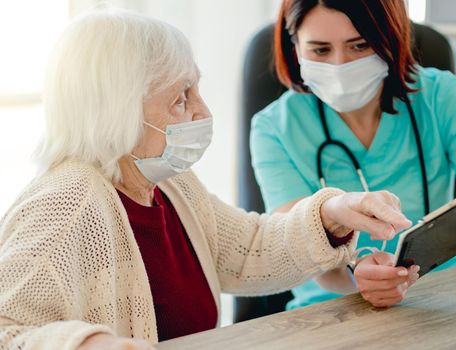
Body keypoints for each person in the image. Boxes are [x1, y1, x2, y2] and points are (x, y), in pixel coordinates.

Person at [0, 9, 415, 350]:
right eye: (181, 98)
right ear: (118, 111)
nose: (202, 112)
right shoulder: (64, 203)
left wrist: (332, 213)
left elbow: (250, 249)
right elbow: (8, 331)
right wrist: (88, 345)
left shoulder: (167, 183)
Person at [250, 0, 456, 310]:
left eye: (360, 45)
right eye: (320, 51)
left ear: (390, 38)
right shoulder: (274, 128)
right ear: (295, 48)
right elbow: (298, 250)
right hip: (333, 312)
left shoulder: (440, 97)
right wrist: (359, 279)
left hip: (444, 300)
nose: (340, 66)